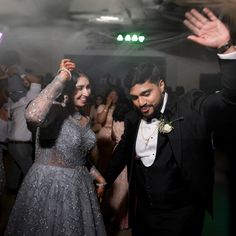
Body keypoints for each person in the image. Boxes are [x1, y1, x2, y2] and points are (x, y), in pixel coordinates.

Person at [103, 8, 236, 236]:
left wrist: (226, 48)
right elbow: (124, 150)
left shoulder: (190, 105)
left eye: (147, 93)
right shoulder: (133, 117)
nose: (141, 102)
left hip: (182, 214)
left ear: (161, 85)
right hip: (145, 211)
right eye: (134, 97)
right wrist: (105, 180)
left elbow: (229, 98)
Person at [4, 59, 107, 236]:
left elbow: (77, 157)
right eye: (79, 88)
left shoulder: (84, 118)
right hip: (50, 186)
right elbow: (33, 116)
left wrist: (99, 177)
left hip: (79, 188)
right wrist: (61, 78)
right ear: (67, 89)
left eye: (88, 87)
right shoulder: (54, 111)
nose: (86, 93)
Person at [7, 65, 41, 192]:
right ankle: (33, 197)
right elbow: (37, 80)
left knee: (16, 170)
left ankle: (11, 191)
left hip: (13, 144)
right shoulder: (27, 99)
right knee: (30, 173)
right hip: (21, 145)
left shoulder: (12, 103)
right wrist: (20, 72)